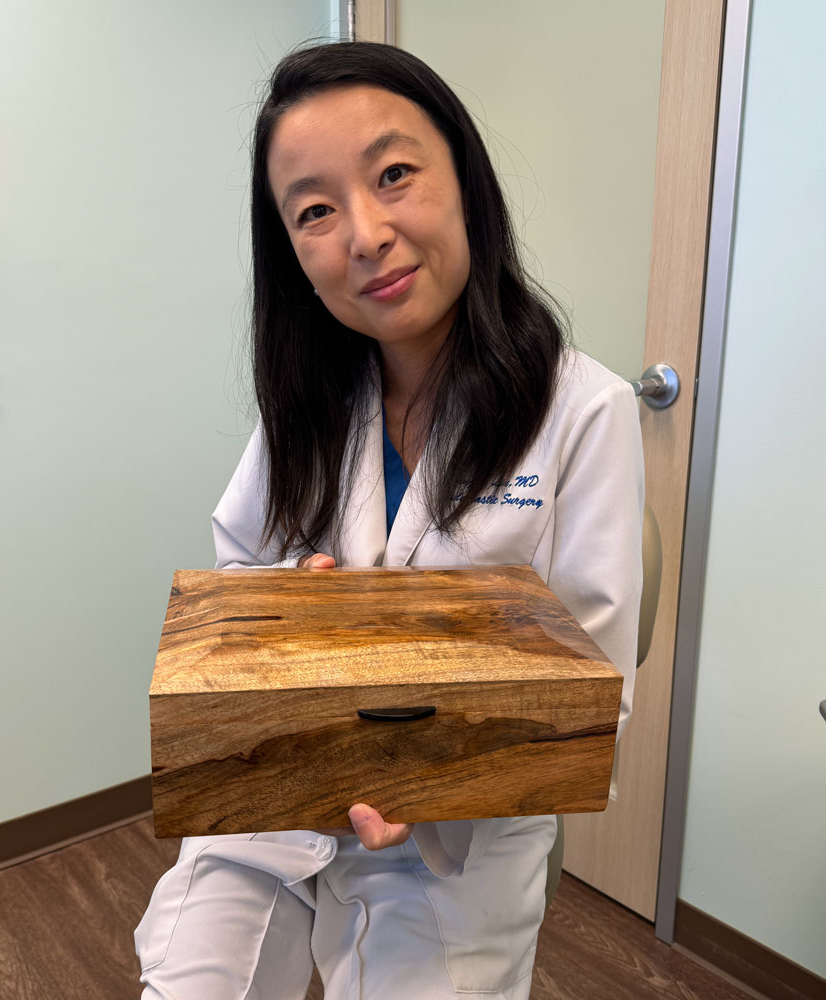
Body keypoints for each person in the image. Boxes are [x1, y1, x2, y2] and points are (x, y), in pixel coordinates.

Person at [135, 40, 643, 1000]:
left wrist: (422, 770)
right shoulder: (307, 402)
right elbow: (237, 583)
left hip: (459, 823)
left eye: (394, 174)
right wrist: (293, 612)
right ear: (291, 252)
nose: (364, 234)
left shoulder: (583, 410)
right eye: (314, 211)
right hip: (280, 782)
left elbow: (590, 687)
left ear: (466, 183)